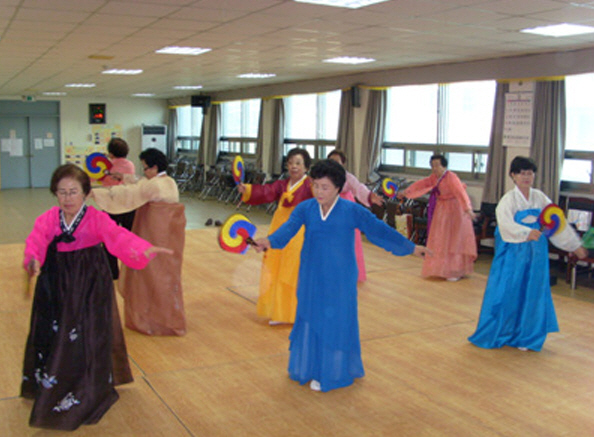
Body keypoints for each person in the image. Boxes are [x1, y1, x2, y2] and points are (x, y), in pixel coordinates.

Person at [254, 159, 430, 392]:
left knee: (335, 321)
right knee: (310, 317)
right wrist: (268, 241)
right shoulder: (305, 209)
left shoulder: (351, 210)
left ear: (338, 187)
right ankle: (310, 367)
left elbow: (378, 230)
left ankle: (333, 372)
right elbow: (287, 230)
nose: (319, 192)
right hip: (311, 274)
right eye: (316, 186)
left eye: (325, 187)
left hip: (340, 277)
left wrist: (410, 247)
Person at [22, 163, 172, 431]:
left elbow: (118, 236)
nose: (68, 198)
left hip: (89, 282)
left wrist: (142, 248)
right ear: (55, 193)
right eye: (62, 192)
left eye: (73, 192)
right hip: (55, 282)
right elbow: (36, 241)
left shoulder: (96, 218)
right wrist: (33, 260)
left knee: (88, 331)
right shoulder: (47, 218)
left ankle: (89, 385)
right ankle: (51, 380)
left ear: (86, 193)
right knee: (56, 331)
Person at [468, 156, 587, 352]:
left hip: (536, 253)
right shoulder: (508, 200)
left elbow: (556, 222)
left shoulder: (540, 198)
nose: (526, 177)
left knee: (533, 292)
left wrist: (574, 245)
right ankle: (501, 332)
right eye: (521, 173)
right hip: (513, 253)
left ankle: (527, 336)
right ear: (513, 176)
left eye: (530, 173)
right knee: (508, 291)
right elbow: (505, 226)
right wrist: (525, 232)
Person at [91, 148, 186, 336]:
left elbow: (132, 192)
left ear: (155, 168)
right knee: (164, 275)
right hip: (169, 237)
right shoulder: (167, 182)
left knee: (152, 274)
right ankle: (164, 317)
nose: (144, 172)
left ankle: (152, 319)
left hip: (156, 233)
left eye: (146, 168)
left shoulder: (156, 186)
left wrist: (96, 193)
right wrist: (124, 178)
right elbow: (139, 183)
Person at [238, 148, 313, 325]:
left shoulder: (310, 186)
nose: (294, 166)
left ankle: (296, 313)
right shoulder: (282, 184)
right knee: (275, 267)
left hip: (298, 233)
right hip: (278, 229)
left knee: (292, 271)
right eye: (291, 163)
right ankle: (279, 312)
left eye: (298, 163)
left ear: (306, 167)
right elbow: (266, 191)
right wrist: (247, 189)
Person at [397, 154, 477, 281]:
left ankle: (455, 270)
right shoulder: (434, 178)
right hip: (441, 210)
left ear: (444, 166)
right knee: (441, 239)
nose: (434, 168)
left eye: (437, 165)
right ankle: (443, 268)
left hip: (455, 211)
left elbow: (460, 193)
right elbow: (421, 185)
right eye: (432, 166)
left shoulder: (451, 177)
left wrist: (468, 209)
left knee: (453, 240)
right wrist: (406, 192)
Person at [328, 150, 384, 282]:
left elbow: (359, 188)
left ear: (342, 164)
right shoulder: (323, 176)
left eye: (337, 162)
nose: (334, 164)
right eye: (331, 162)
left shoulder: (348, 177)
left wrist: (370, 196)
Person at [100, 137, 137, 279]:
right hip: (129, 206)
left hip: (111, 207)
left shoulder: (107, 167)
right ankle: (132, 271)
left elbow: (103, 182)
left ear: (111, 153)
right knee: (130, 239)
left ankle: (112, 272)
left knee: (109, 240)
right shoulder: (130, 165)